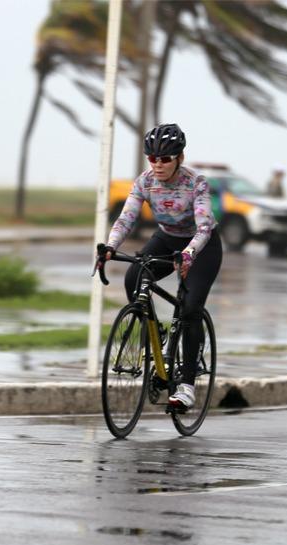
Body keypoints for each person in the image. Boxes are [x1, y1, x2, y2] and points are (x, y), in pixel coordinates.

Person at [97, 123, 222, 411]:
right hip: (166, 239)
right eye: (152, 158)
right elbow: (126, 218)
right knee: (134, 278)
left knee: (189, 309)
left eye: (165, 159)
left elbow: (204, 227)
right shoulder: (144, 182)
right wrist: (110, 246)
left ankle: (186, 386)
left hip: (201, 245)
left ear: (180, 158)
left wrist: (189, 254)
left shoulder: (196, 183)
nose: (158, 164)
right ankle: (156, 334)